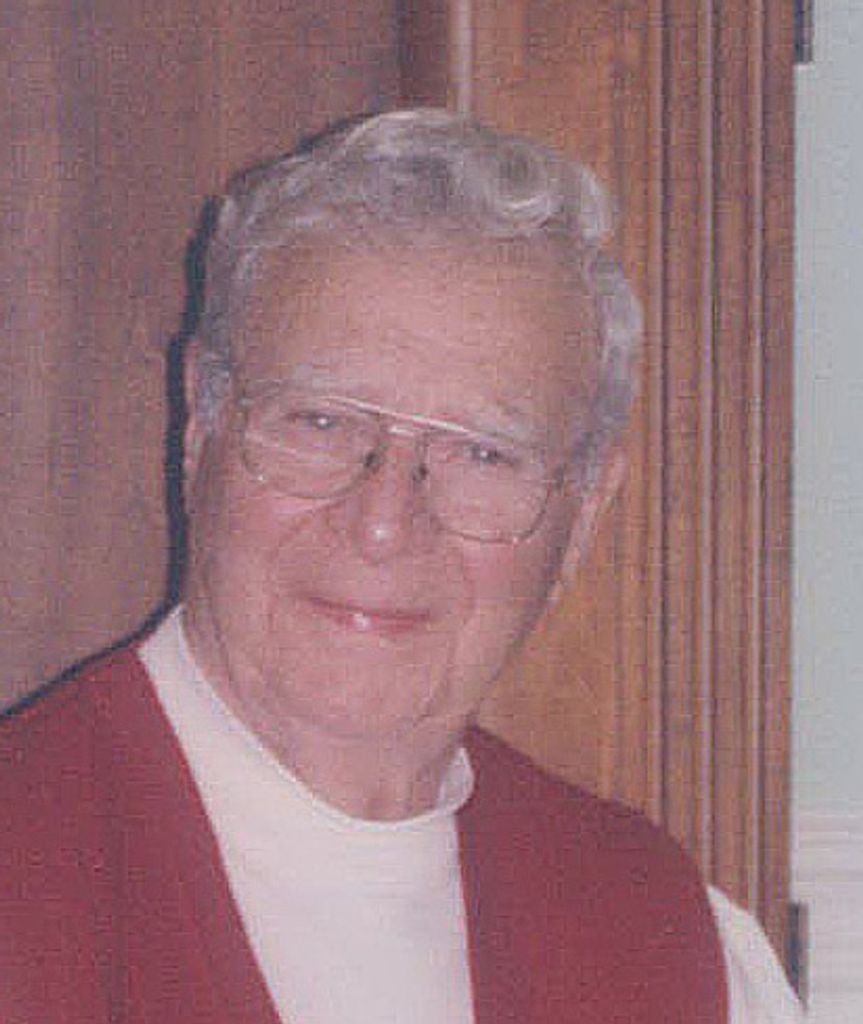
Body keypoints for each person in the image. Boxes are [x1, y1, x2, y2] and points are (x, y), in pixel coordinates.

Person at [0, 109, 801, 1023]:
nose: (384, 522)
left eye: (482, 454)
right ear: (201, 422)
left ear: (582, 512)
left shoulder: (670, 945)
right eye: (321, 422)